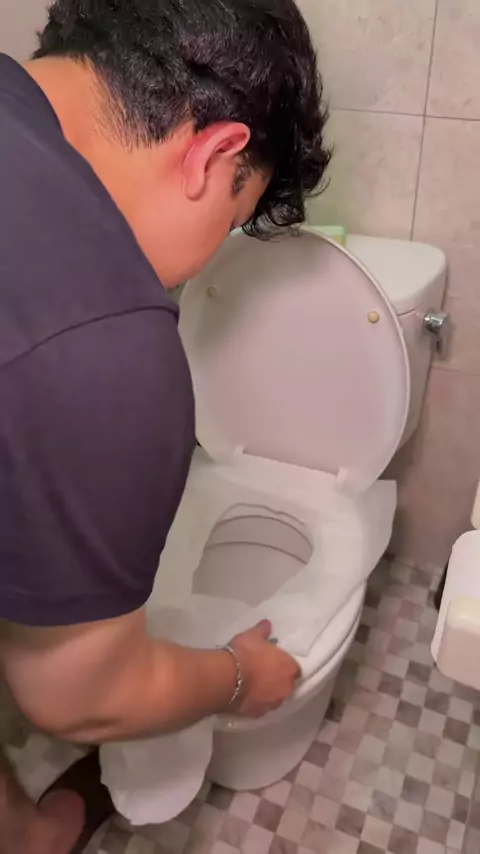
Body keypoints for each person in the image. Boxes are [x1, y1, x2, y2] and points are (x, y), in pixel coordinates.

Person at [0, 1, 330, 852]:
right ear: (214, 154)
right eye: (233, 216)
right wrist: (239, 678)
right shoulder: (103, 342)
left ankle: (24, 832)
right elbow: (79, 699)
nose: (214, 247)